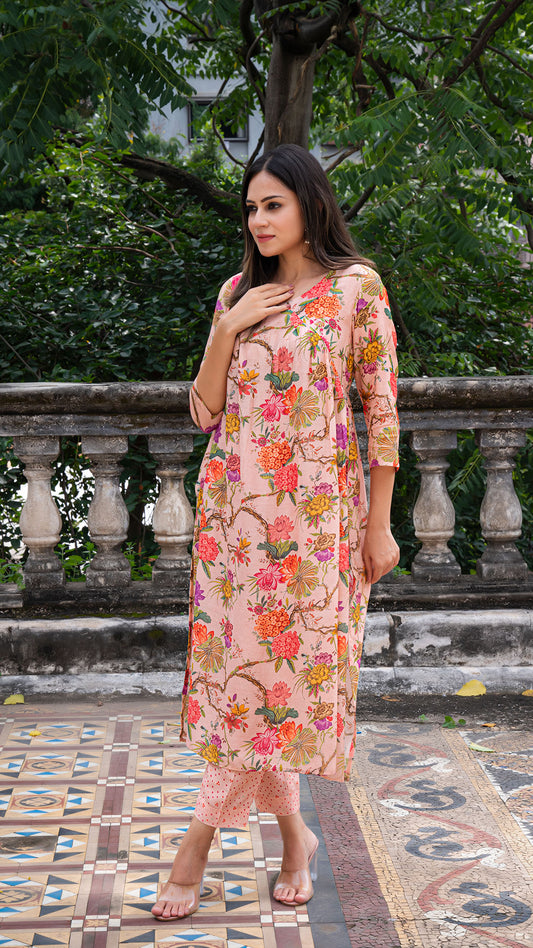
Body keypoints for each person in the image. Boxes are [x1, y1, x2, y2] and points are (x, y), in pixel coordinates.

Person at [152, 143, 400, 921]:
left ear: (309, 205)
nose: (258, 219)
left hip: (317, 525)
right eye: (251, 208)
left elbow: (381, 413)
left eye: (273, 204)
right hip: (233, 522)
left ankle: (194, 848)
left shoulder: (355, 288)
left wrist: (379, 527)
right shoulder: (237, 292)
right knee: (247, 685)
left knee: (277, 683)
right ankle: (296, 838)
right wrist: (228, 329)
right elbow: (203, 411)